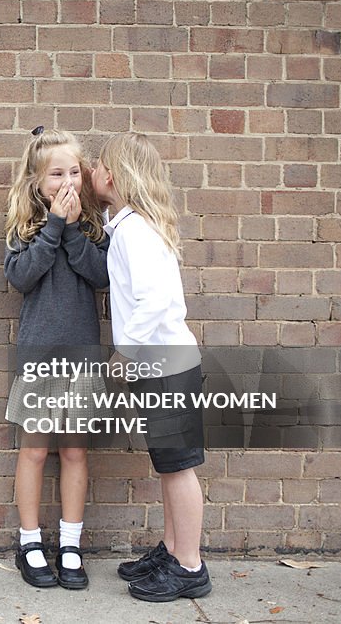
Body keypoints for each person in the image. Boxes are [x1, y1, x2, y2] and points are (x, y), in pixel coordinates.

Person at [91, 132, 212, 602]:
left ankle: (190, 566)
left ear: (115, 177)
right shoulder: (128, 225)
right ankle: (172, 548)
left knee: (179, 468)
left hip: (166, 364)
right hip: (163, 364)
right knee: (168, 464)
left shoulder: (136, 231)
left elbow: (155, 300)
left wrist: (125, 353)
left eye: (99, 165)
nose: (93, 171)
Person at [3, 127, 110, 589]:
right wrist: (52, 228)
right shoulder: (24, 228)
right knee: (33, 450)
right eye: (55, 174)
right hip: (40, 356)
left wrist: (70, 230)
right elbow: (22, 278)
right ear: (36, 182)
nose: (65, 180)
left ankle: (70, 543)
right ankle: (30, 542)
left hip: (82, 357)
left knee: (74, 452)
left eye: (73, 171)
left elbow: (101, 276)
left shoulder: (93, 228)